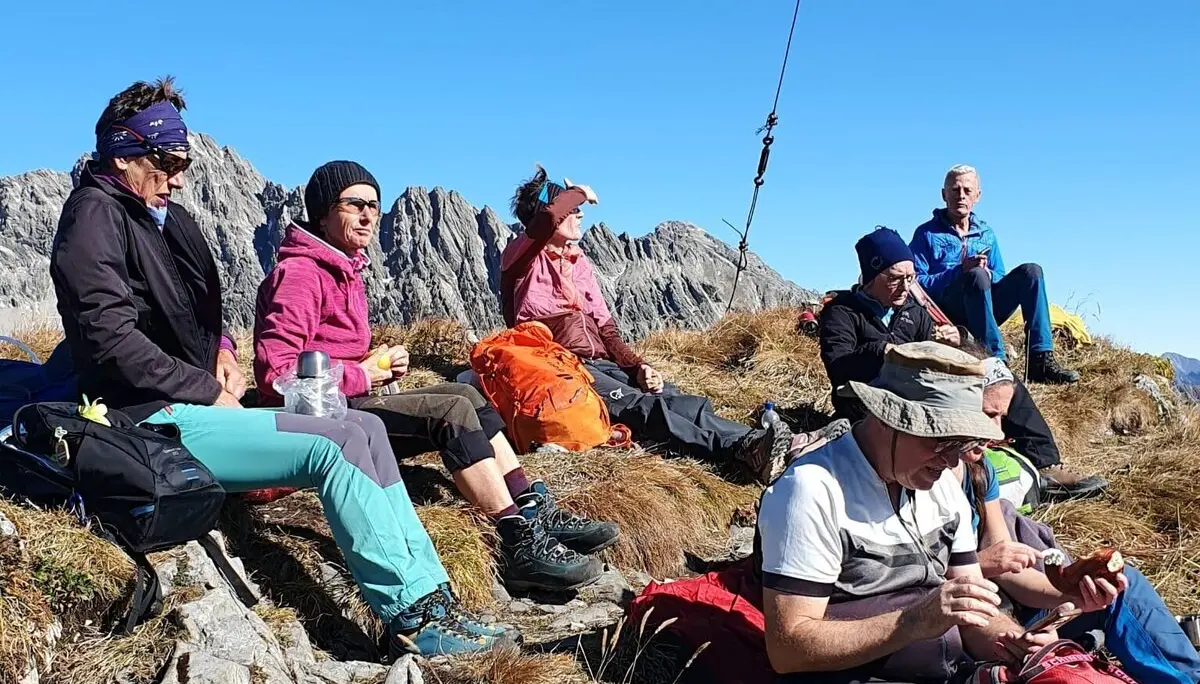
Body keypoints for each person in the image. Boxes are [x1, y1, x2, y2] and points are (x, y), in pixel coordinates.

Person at [49, 77, 510, 659]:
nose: (181, 176)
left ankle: (433, 599)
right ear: (124, 153)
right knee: (334, 444)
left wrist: (219, 351)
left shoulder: (163, 217)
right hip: (148, 420)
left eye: (183, 162)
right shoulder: (94, 216)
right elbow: (108, 339)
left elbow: (198, 314)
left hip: (190, 401)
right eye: (168, 161)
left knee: (364, 428)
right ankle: (411, 618)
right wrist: (200, 386)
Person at [254, 161, 618, 594]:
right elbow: (275, 372)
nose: (369, 215)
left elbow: (327, 350)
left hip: (345, 403)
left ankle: (531, 504)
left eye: (374, 205)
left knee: (465, 391)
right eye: (355, 205)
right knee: (449, 409)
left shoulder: (344, 268)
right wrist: (361, 374)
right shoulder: (299, 274)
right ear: (323, 212)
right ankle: (515, 538)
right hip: (321, 421)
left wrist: (373, 361)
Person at [757, 341, 1067, 682]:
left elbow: (971, 605)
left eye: (962, 444)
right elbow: (787, 649)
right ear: (888, 420)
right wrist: (914, 621)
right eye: (943, 441)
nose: (952, 461)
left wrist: (1010, 641)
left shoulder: (942, 486)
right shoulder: (812, 490)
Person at [500, 167, 793, 484]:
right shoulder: (520, 256)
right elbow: (543, 223)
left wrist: (639, 367)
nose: (580, 214)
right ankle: (740, 448)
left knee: (670, 395)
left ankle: (766, 444)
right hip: (557, 365)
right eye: (572, 210)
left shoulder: (578, 262)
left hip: (596, 361)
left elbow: (606, 330)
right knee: (639, 406)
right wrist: (580, 191)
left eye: (578, 208)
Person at [957, 358, 1200, 684]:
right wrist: (981, 564)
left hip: (1011, 612)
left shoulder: (981, 470)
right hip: (974, 627)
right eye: (989, 415)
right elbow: (928, 582)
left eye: (1002, 416)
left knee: (1123, 589)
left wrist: (1068, 593)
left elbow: (1008, 568)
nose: (998, 432)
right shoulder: (922, 475)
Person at [819, 227, 1106, 501]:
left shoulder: (912, 311)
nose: (906, 286)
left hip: (922, 392)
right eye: (896, 277)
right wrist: (882, 350)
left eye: (911, 277)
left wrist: (960, 336)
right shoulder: (842, 313)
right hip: (874, 402)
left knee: (999, 377)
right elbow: (838, 366)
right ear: (872, 276)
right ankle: (976, 472)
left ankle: (1044, 463)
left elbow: (938, 348)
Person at [909, 165, 1080, 385]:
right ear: (944, 194)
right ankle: (996, 359)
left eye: (967, 191)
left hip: (985, 306)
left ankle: (1040, 359)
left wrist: (989, 273)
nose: (961, 195)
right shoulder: (926, 234)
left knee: (1031, 272)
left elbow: (999, 274)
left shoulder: (986, 233)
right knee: (976, 276)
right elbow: (917, 283)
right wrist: (960, 271)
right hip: (948, 311)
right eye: (954, 190)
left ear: (977, 196)